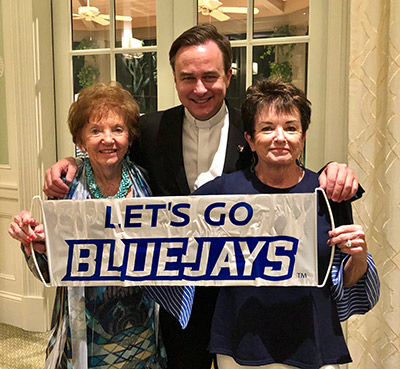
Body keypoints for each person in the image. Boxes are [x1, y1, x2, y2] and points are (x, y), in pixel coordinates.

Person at [42, 24, 362, 369]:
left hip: (241, 299)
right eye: (187, 77)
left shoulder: (256, 127)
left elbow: (286, 176)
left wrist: (333, 170)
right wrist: (71, 163)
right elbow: (107, 153)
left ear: (228, 74)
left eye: (210, 76)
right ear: (174, 78)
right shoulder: (148, 130)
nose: (199, 88)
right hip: (177, 301)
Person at [192, 78, 380, 369]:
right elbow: (168, 234)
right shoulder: (222, 192)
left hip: (313, 343)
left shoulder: (329, 193)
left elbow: (349, 281)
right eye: (267, 128)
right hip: (241, 345)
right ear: (250, 140)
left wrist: (359, 256)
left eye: (290, 128)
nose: (280, 137)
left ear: (303, 137)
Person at [8, 82, 166, 369]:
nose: (108, 139)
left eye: (117, 129)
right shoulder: (64, 188)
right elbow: (48, 271)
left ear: (129, 137)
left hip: (141, 328)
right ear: (80, 141)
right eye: (95, 131)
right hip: (85, 333)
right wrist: (37, 246)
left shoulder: (146, 179)